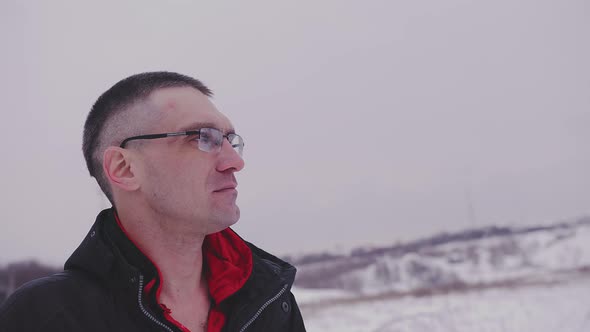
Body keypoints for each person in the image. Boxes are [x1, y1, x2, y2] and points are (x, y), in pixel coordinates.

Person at [0, 71, 306, 332]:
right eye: (202, 137)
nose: (234, 162)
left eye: (231, 140)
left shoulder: (269, 302)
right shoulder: (48, 318)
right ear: (125, 168)